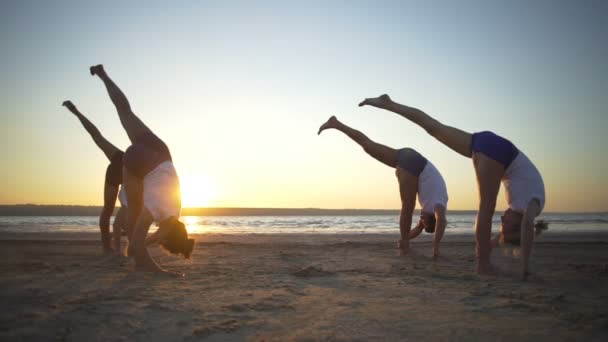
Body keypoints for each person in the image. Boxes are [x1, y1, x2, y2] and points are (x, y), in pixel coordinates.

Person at [359, 94, 545, 279]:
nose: (503, 219)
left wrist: (493, 242)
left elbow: (509, 232)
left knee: (433, 127)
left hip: (489, 143)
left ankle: (389, 104)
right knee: (486, 207)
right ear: (520, 226)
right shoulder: (533, 205)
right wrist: (526, 267)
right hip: (500, 153)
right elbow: (527, 226)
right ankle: (483, 265)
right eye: (506, 224)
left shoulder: (521, 207)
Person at [90, 64, 194, 274]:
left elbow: (157, 235)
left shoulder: (175, 212)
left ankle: (103, 76)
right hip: (137, 162)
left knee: (125, 111)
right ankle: (142, 266)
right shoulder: (157, 210)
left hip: (160, 155)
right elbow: (139, 243)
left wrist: (143, 243)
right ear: (167, 236)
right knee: (135, 216)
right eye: (163, 242)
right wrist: (159, 268)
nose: (158, 239)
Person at [318, 115, 448, 257]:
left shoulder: (429, 210)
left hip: (411, 157)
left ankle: (337, 124)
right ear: (430, 218)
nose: (420, 220)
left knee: (368, 145)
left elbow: (418, 229)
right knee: (408, 206)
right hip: (416, 165)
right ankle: (405, 248)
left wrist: (404, 237)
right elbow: (442, 221)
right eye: (423, 221)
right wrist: (436, 247)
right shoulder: (438, 206)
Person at [62, 100, 127, 255]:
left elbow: (96, 135)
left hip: (123, 173)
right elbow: (95, 134)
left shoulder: (125, 159)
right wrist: (76, 112)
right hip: (116, 172)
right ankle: (107, 246)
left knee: (115, 210)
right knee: (111, 209)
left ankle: (111, 244)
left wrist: (75, 111)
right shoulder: (120, 158)